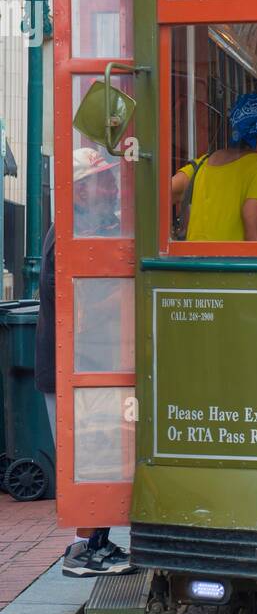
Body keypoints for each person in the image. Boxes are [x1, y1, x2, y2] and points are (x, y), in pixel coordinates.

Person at [34, 149, 136, 578]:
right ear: (79, 190)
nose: (111, 187)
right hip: (72, 365)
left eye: (111, 179)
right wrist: (125, 290)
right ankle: (80, 551)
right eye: (102, 181)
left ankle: (97, 541)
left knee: (104, 453)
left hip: (91, 360)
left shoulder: (91, 227)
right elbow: (79, 311)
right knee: (88, 455)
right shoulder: (68, 237)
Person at [171, 92, 257, 242]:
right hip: (232, 265)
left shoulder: (202, 164)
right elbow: (256, 238)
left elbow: (161, 194)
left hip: (195, 264)